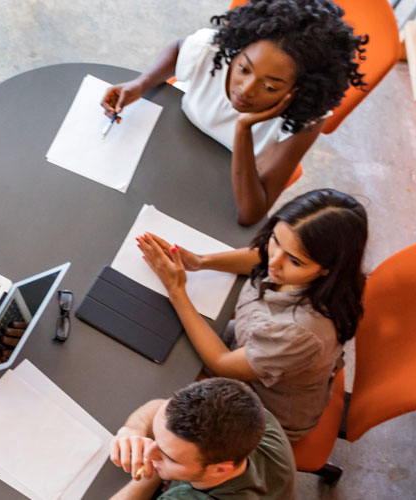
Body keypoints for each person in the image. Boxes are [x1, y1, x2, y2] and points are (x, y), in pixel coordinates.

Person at [101, 0, 368, 225]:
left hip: (214, 188)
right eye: (244, 69)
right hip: (165, 151)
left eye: (270, 86)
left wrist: (244, 130)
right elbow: (179, 48)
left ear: (298, 90)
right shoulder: (212, 50)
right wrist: (141, 84)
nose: (247, 89)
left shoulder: (302, 122)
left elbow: (251, 214)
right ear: (237, 50)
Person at [137, 188, 367, 440]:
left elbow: (223, 365)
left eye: (294, 260)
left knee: (149, 399)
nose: (274, 262)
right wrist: (201, 261)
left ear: (328, 269)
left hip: (262, 412)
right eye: (276, 240)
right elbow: (261, 257)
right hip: (247, 349)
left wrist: (177, 291)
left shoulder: (300, 332)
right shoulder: (291, 264)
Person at [108, 378, 295, 500]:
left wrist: (151, 472)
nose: (149, 452)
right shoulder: (255, 420)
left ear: (220, 469)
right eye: (156, 437)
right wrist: (132, 430)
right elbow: (158, 407)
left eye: (169, 456)